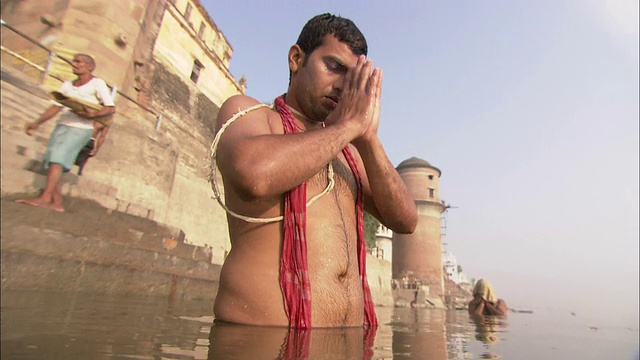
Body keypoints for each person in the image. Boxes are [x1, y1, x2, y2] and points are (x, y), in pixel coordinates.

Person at [211, 13, 418, 329]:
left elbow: (405, 220)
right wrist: (348, 127)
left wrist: (368, 138)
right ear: (296, 58)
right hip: (260, 340)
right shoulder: (250, 113)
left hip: (350, 340)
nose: (341, 86)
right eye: (333, 67)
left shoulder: (349, 152)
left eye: (352, 78)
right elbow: (253, 174)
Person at [16, 53, 115, 212]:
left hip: (80, 128)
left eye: (78, 62)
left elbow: (110, 107)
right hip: (62, 125)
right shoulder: (68, 85)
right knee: (54, 161)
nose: (74, 64)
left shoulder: (97, 84)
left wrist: (93, 115)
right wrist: (37, 123)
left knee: (57, 159)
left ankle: (45, 198)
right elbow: (56, 106)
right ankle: (57, 202)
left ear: (89, 67)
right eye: (74, 61)